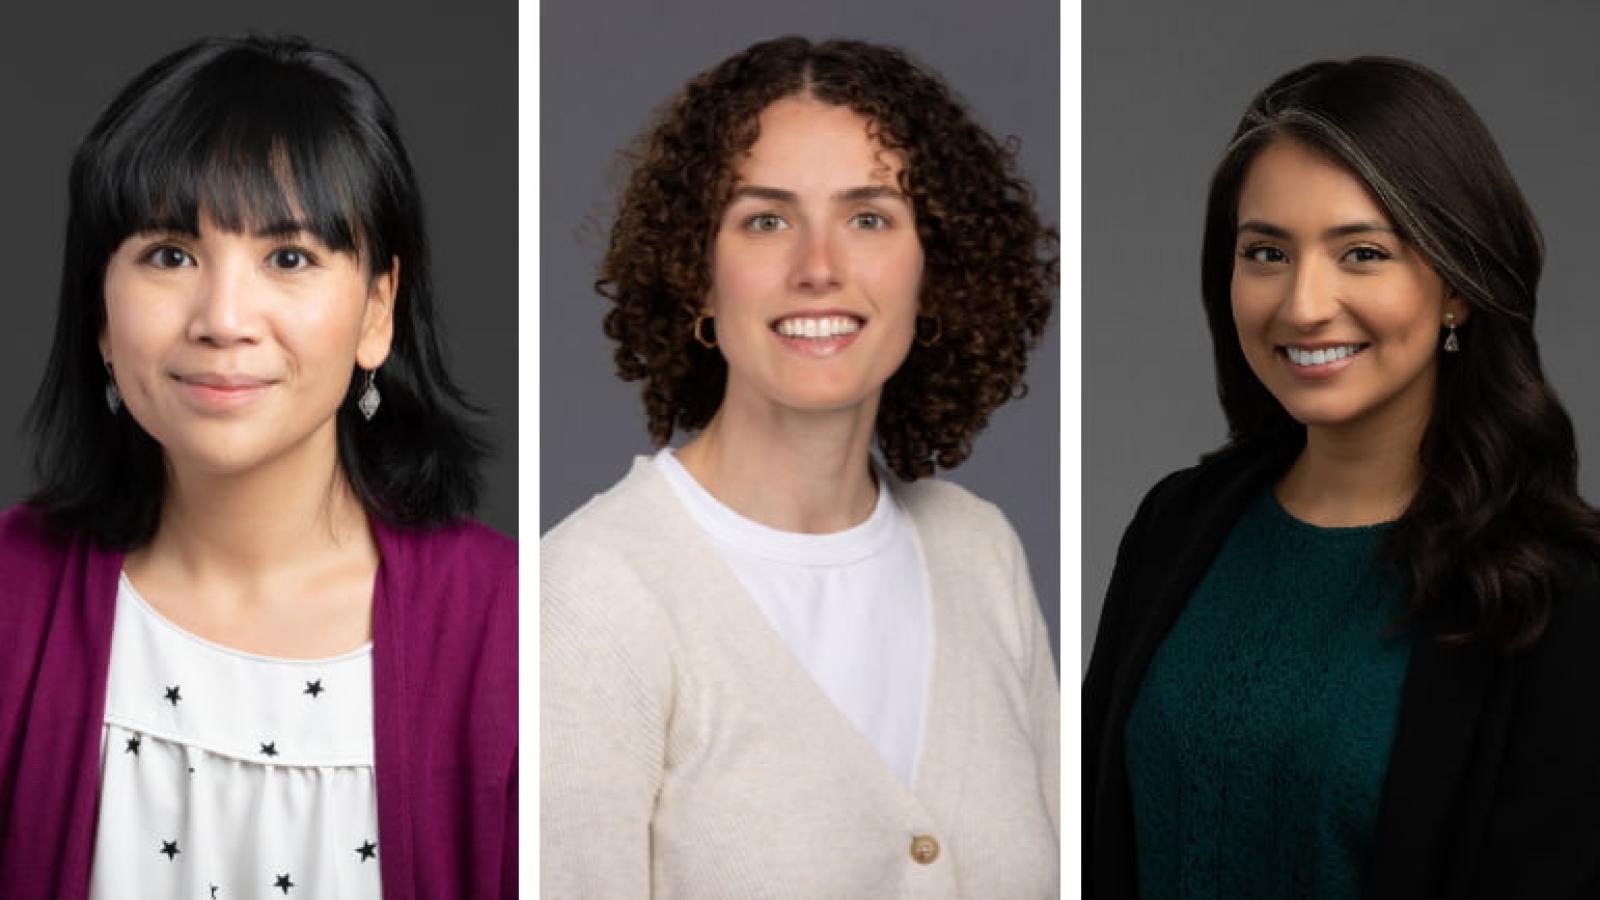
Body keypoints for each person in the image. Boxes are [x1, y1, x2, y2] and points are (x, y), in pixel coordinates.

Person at [542, 36, 1059, 897]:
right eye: (766, 220)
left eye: (869, 217)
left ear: (933, 269)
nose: (819, 268)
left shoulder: (981, 554)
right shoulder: (592, 597)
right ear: (699, 276)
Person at [0, 36, 515, 900]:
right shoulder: (11, 600)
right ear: (98, 308)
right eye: (170, 254)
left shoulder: (514, 632)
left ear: (376, 312)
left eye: (289, 258)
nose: (223, 319)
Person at [1084, 57, 1600, 898]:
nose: (1303, 304)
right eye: (1266, 253)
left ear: (1456, 290)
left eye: (1362, 252)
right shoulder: (1178, 526)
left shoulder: (1558, 593)